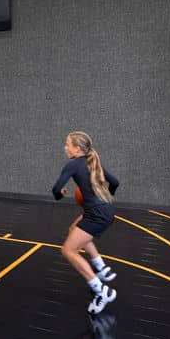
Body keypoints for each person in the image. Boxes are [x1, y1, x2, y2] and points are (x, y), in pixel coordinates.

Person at [52, 131, 119, 316]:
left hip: (96, 214)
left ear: (77, 148)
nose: (65, 147)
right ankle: (101, 267)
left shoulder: (73, 164)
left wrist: (61, 194)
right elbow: (115, 182)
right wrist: (105, 197)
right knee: (74, 229)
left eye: (67, 144)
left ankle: (101, 290)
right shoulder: (93, 162)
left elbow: (56, 190)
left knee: (68, 250)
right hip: (104, 211)